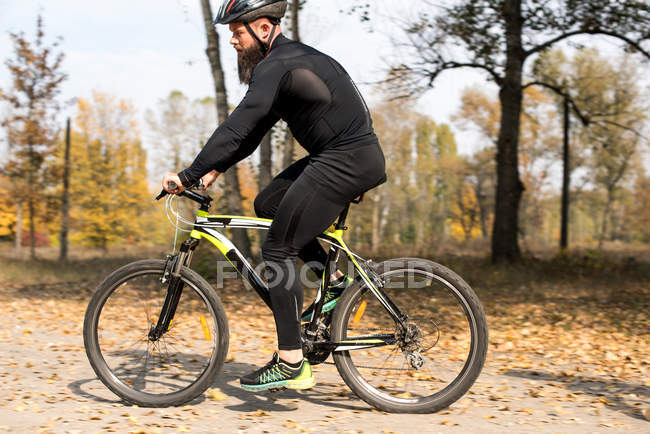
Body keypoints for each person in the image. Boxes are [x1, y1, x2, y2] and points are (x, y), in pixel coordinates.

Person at [162, 0, 386, 392]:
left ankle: (291, 361)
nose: (232, 39)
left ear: (264, 29)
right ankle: (332, 280)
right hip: (346, 156)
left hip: (344, 159)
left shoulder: (276, 65)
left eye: (237, 31)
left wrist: (187, 175)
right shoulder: (287, 63)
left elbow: (236, 127)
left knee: (277, 251)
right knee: (267, 204)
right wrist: (215, 169)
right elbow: (252, 131)